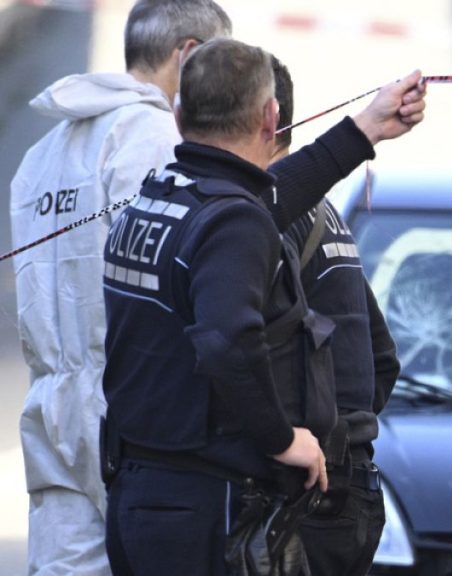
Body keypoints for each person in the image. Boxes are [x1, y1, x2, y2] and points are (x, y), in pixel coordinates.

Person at [8, 1, 425, 573]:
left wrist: (363, 130)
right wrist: (284, 439)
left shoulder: (152, 193)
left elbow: (260, 197)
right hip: (199, 489)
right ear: (269, 117)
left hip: (123, 463)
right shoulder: (219, 210)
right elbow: (228, 338)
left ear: (179, 115)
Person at [270, 56, 401, 576]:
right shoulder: (322, 211)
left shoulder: (259, 218)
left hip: (306, 492)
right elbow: (381, 357)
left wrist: (302, 440)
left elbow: (236, 350)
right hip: (350, 483)